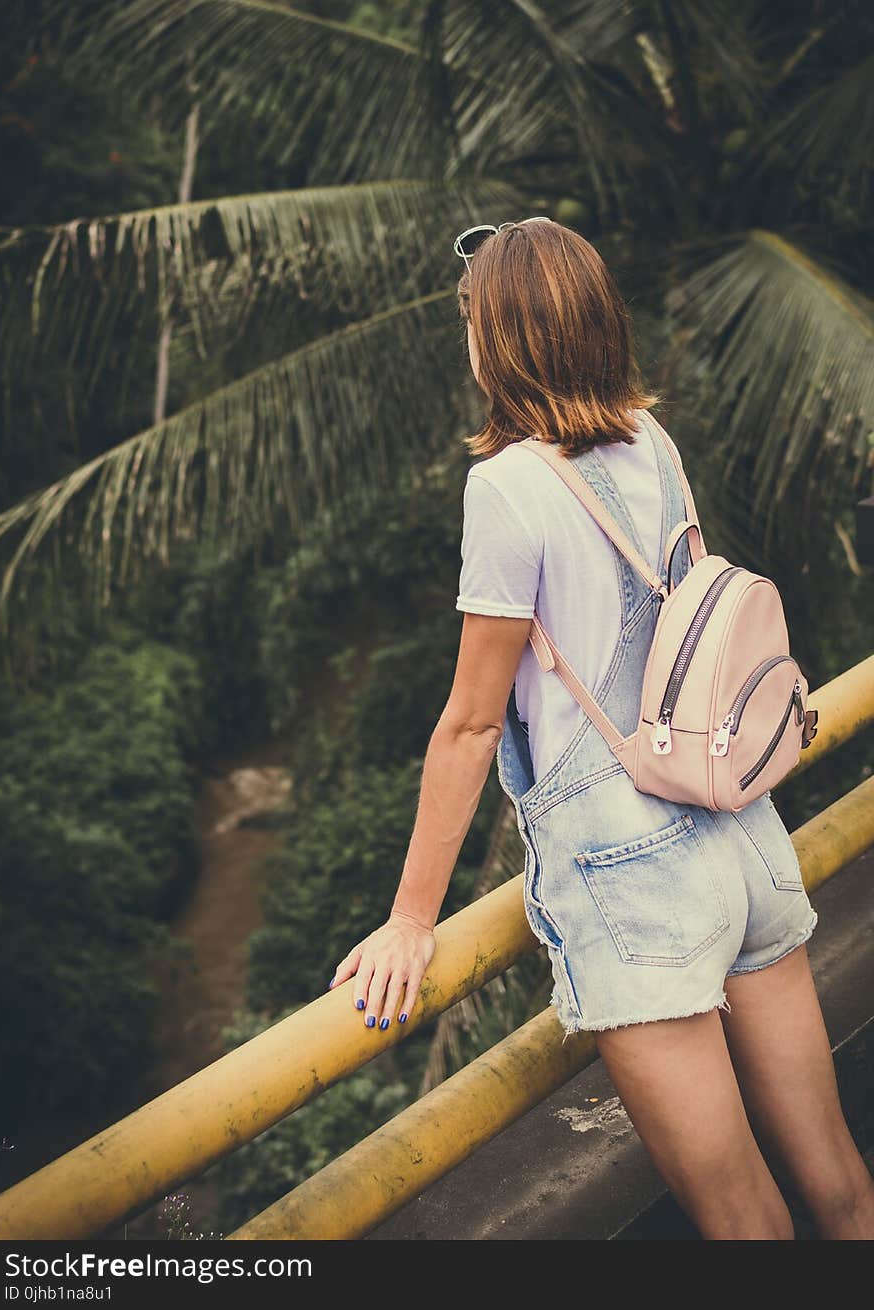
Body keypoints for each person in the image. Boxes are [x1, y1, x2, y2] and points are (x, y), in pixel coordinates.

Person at [328, 218, 874, 1240]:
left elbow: (469, 723)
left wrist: (411, 918)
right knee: (842, 1186)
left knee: (742, 1221)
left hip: (633, 877)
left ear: (501, 338)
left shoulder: (503, 489)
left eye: (469, 320)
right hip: (742, 833)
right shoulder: (650, 443)